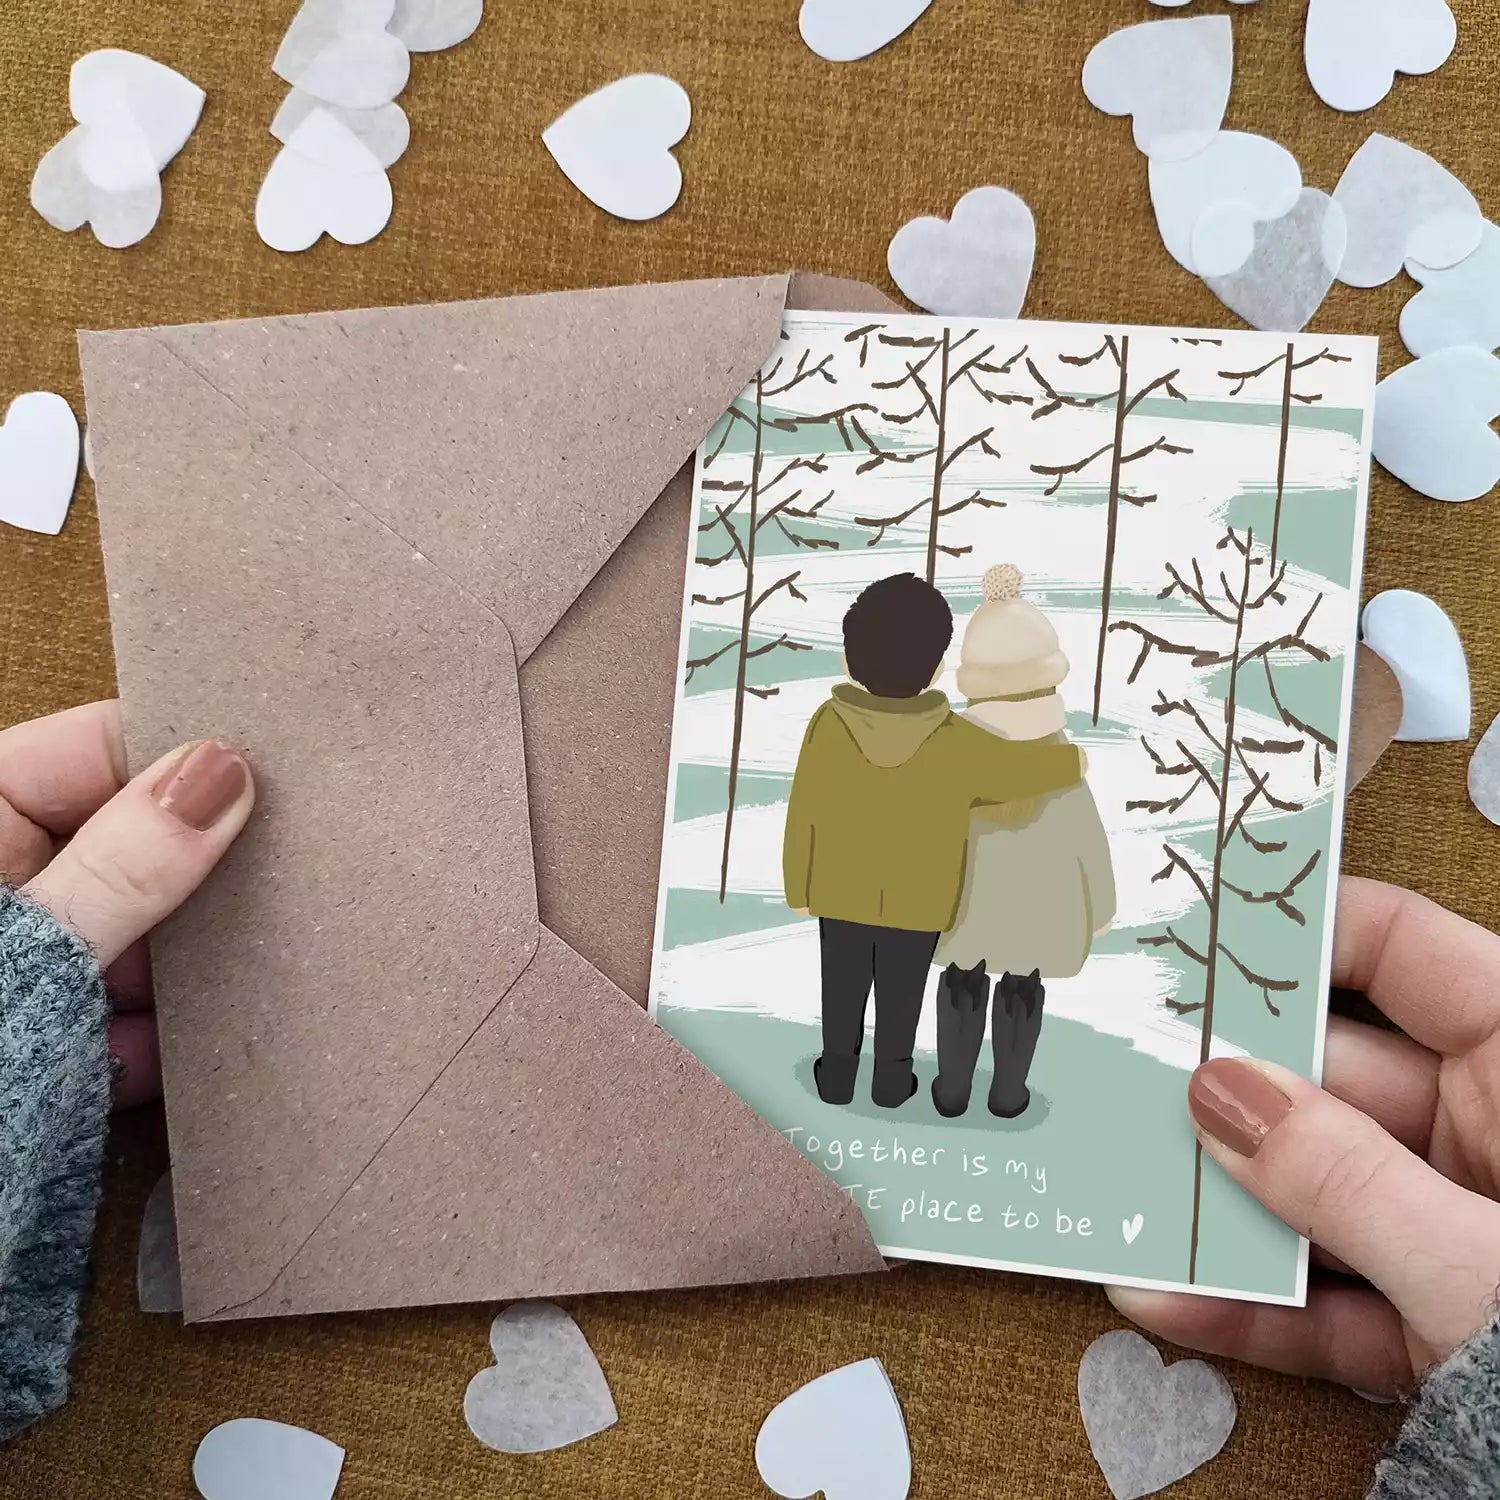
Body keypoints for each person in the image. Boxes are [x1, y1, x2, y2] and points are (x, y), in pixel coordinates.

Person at [1, 701, 1497, 1500]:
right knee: (931, 1015)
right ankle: (897, 1069)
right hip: (918, 918)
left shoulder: (925, 748)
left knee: (929, 1015)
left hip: (919, 920)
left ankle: (894, 1069)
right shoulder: (957, 756)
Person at [783, 572, 1087, 1110]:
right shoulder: (956, 743)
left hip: (838, 892)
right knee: (902, 996)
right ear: (938, 669)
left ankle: (837, 1073)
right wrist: (1071, 761)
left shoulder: (826, 726)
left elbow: (806, 807)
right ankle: (892, 1080)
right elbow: (1015, 771)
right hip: (918, 903)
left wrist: (798, 885)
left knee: (842, 988)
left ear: (848, 662)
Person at [931, 564, 1116, 1119]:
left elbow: (932, 825)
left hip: (968, 902)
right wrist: (1099, 905)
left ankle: (952, 1088)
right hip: (1041, 907)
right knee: (1023, 982)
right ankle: (1009, 1091)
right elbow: (1087, 835)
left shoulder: (956, 753)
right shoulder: (1061, 761)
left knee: (961, 975)